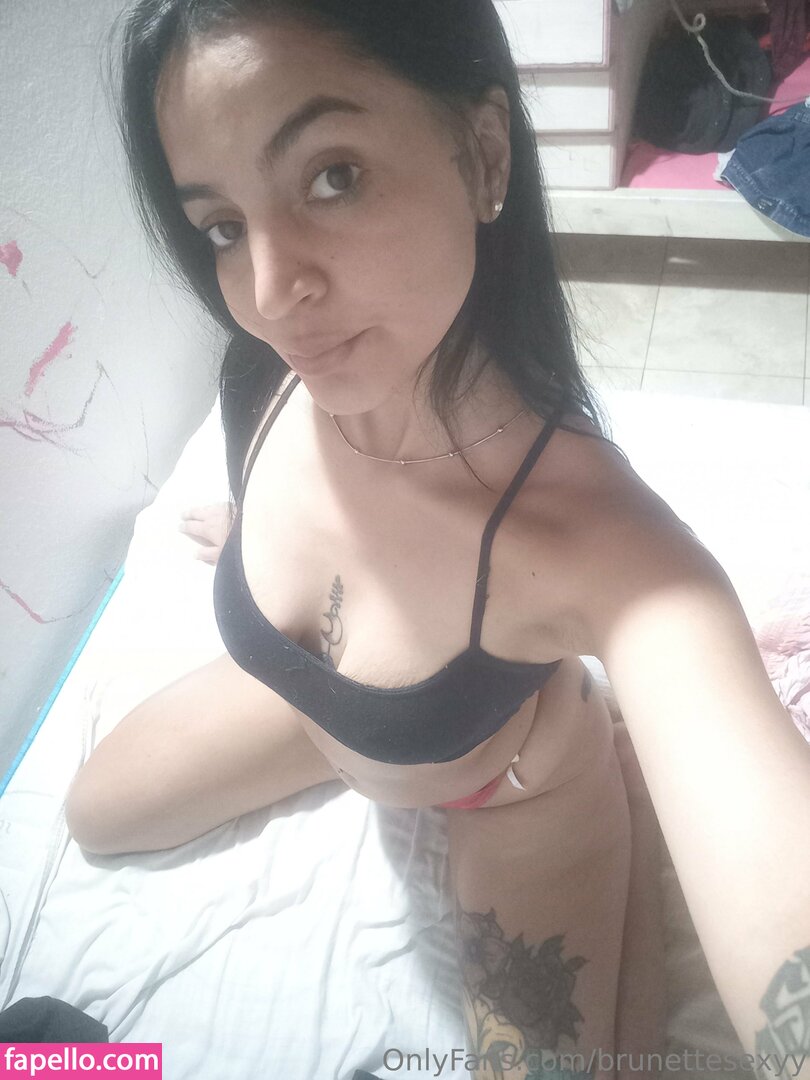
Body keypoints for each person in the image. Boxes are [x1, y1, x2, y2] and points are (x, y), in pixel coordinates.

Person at [64, 3, 810, 1079]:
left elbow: (777, 895)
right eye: (223, 225)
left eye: (332, 177)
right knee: (94, 815)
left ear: (484, 153)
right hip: (319, 710)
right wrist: (250, 533)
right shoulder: (262, 373)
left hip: (507, 790)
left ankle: (614, 794)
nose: (270, 294)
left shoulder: (606, 549)